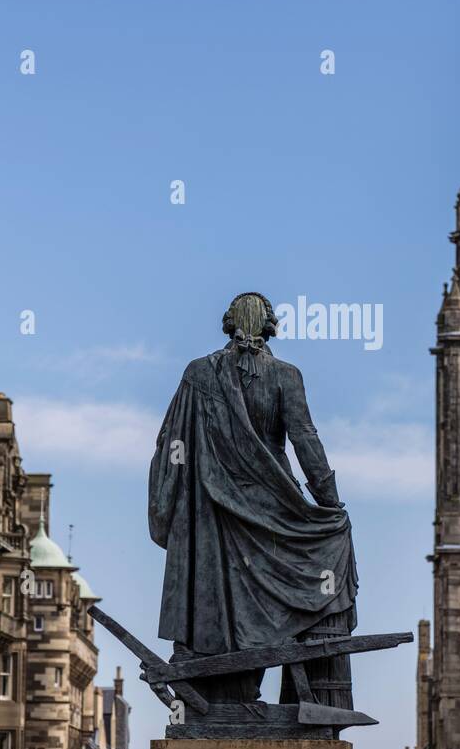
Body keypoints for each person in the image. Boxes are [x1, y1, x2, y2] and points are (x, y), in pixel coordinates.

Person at [148, 292, 358, 707]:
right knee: (331, 545)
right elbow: (306, 441)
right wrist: (330, 504)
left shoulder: (197, 374)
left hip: (214, 509)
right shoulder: (285, 375)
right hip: (273, 509)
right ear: (270, 326)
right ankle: (297, 691)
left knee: (224, 597)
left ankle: (228, 687)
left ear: (229, 324)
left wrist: (167, 507)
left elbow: (172, 445)